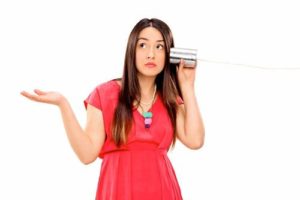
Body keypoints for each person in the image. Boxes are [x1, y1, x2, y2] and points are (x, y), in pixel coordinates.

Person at [21, 18, 205, 200]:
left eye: (159, 47)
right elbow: (87, 154)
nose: (151, 54)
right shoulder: (104, 94)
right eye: (143, 45)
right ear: (131, 50)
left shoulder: (170, 99)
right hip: (118, 190)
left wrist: (187, 86)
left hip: (163, 191)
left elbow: (195, 140)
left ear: (168, 54)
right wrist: (63, 104)